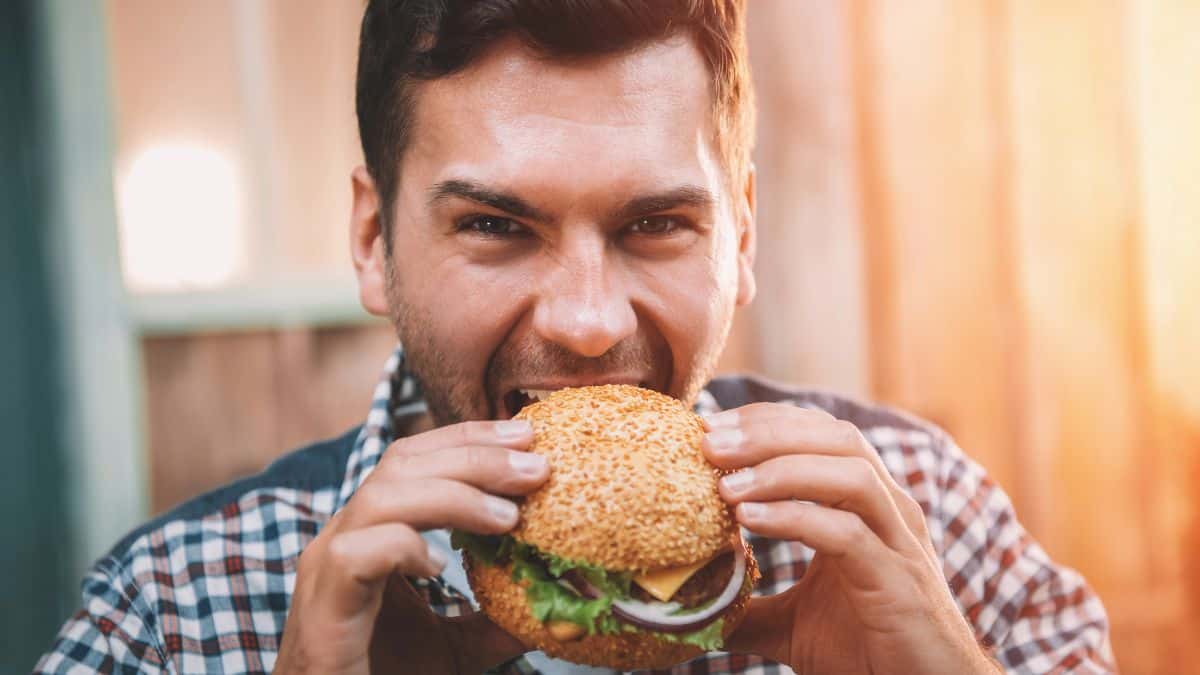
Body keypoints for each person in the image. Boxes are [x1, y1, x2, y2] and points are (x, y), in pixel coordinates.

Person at [36, 1, 1115, 673]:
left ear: (741, 235)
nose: (589, 325)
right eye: (497, 228)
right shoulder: (172, 611)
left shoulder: (932, 525)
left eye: (656, 225)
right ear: (373, 240)